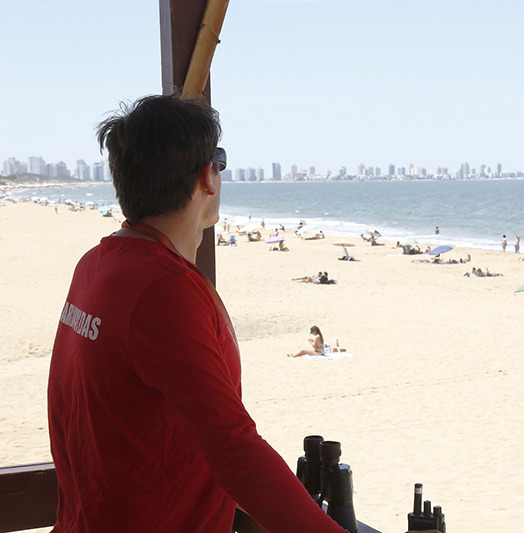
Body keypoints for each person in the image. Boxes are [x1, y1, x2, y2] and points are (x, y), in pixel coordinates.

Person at [47, 95, 345, 533]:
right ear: (208, 175)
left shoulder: (96, 265)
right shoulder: (163, 291)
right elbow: (235, 450)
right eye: (219, 162)